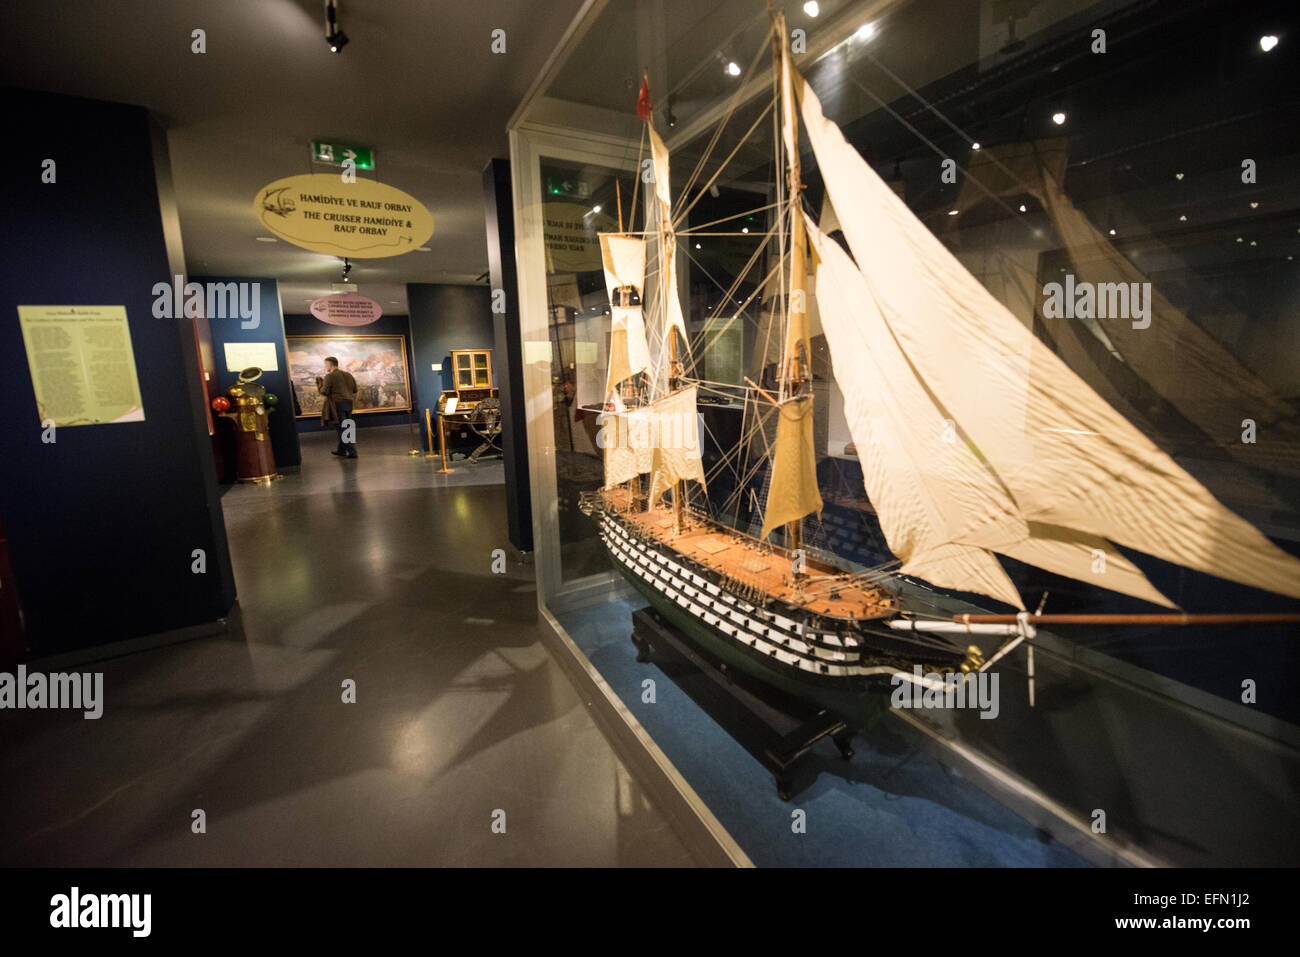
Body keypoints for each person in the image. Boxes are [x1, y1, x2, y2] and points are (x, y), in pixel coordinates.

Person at [317, 357, 359, 458]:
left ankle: (353, 452)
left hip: (337, 404)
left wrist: (319, 385)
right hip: (349, 403)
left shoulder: (329, 376)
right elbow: (355, 390)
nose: (325, 366)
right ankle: (341, 450)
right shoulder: (348, 375)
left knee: (342, 429)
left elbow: (324, 392)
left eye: (326, 364)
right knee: (347, 426)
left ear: (330, 365)